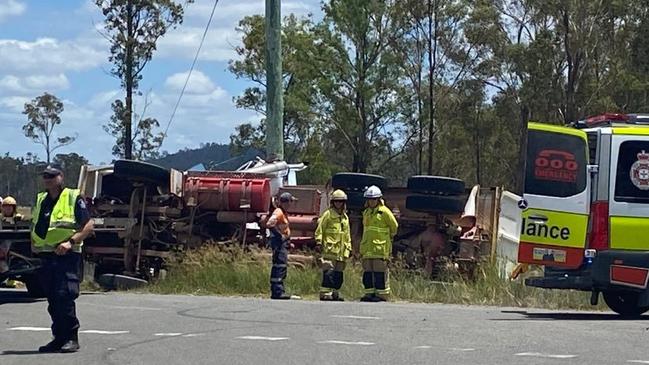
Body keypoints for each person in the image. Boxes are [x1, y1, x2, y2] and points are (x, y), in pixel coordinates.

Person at [31, 165, 94, 353]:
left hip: (66, 254)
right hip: (46, 255)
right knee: (52, 299)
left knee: (64, 296)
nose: (48, 179)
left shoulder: (73, 197)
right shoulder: (42, 198)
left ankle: (71, 338)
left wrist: (71, 242)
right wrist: (32, 243)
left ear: (61, 177)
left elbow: (88, 225)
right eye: (45, 176)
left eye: (52, 176)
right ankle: (58, 338)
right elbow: (35, 223)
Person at [359, 185, 398, 302]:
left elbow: (394, 227)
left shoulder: (385, 212)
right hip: (367, 248)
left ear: (378, 199)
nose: (371, 201)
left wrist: (387, 239)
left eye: (374, 199)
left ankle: (381, 295)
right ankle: (369, 293)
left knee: (379, 272)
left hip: (380, 249)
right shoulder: (366, 213)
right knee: (367, 273)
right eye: (370, 199)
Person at [315, 189, 351, 301]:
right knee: (328, 272)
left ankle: (335, 293)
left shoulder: (345, 218)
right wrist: (318, 242)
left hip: (341, 252)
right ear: (333, 202)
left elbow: (347, 234)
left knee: (338, 274)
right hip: (330, 250)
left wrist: (349, 248)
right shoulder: (328, 214)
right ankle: (325, 293)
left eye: (341, 202)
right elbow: (320, 229)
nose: (338, 204)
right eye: (336, 201)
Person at [266, 192, 301, 300]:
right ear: (286, 202)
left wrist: (287, 240)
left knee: (282, 265)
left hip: (283, 243)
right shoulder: (279, 212)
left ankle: (279, 290)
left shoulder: (283, 213)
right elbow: (269, 223)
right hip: (279, 243)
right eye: (291, 201)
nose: (292, 204)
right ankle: (277, 291)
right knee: (279, 266)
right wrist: (279, 236)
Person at [0, 196, 24, 288]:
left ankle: (4, 267)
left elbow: (26, 220)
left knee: (4, 248)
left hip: (13, 240)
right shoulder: (1, 217)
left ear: (14, 208)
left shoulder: (18, 217)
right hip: (2, 239)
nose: (8, 209)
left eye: (10, 207)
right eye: (5, 206)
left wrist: (20, 219)